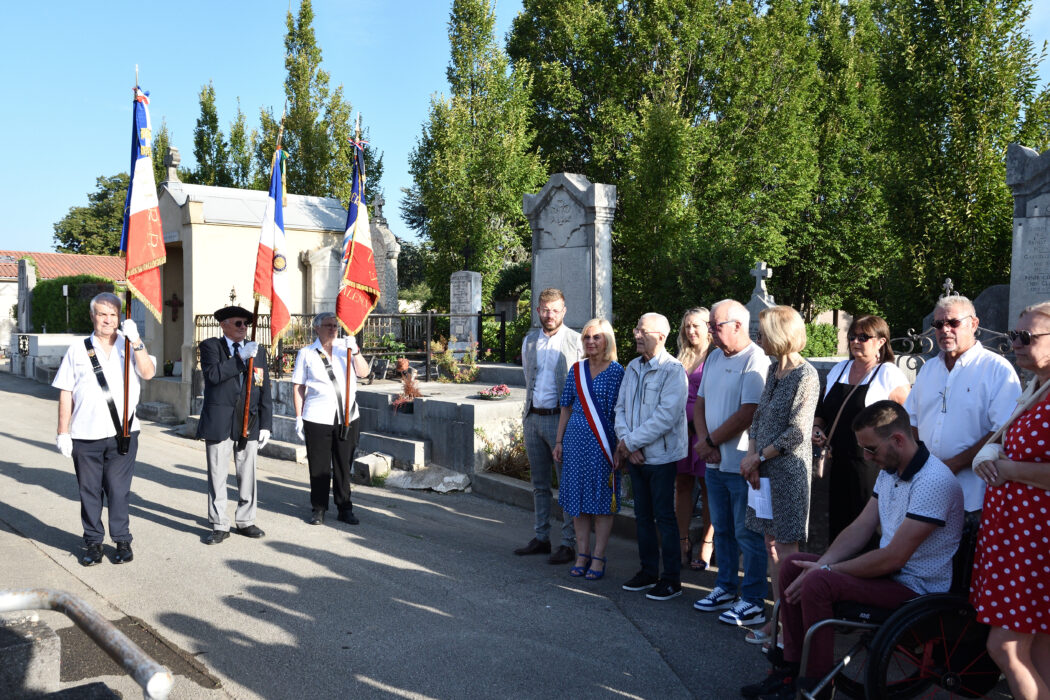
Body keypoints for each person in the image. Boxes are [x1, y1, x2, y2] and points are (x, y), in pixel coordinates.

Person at [741, 401, 963, 700]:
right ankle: (790, 669)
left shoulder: (934, 482)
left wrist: (826, 570)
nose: (867, 457)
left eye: (871, 449)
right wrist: (825, 563)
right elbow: (860, 528)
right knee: (793, 564)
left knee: (819, 581)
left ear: (898, 439)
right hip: (889, 577)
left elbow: (895, 557)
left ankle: (816, 685)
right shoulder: (891, 469)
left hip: (916, 589)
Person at [971, 302, 1050, 699]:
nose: (1015, 344)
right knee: (1039, 651)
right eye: (1013, 336)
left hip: (1037, 546)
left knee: (1004, 647)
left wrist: (1009, 469)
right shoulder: (1036, 387)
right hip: (1020, 538)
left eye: (1026, 337)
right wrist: (994, 451)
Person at [52, 292, 156, 566]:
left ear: (119, 316)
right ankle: (93, 543)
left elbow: (147, 373)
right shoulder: (78, 349)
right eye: (102, 314)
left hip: (123, 433)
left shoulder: (130, 344)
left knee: (118, 490)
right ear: (92, 317)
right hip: (85, 435)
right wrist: (63, 431)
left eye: (113, 314)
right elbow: (66, 391)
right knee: (89, 490)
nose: (108, 320)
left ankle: (122, 540)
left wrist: (137, 341)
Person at [905, 295, 1021, 526]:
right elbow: (912, 422)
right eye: (938, 324)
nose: (945, 330)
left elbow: (1003, 430)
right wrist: (922, 464)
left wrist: (954, 464)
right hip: (926, 489)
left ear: (974, 324)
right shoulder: (929, 369)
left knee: (967, 560)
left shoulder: (997, 370)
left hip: (973, 493)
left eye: (953, 323)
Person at [741, 306, 819, 646]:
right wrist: (751, 458)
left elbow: (797, 433)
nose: (758, 340)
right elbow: (758, 418)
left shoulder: (806, 375)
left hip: (787, 473)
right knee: (770, 546)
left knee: (787, 550)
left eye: (762, 333)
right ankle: (777, 620)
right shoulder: (774, 370)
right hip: (763, 469)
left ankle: (792, 627)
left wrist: (758, 456)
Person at [692, 299, 770, 626]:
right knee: (721, 529)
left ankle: (752, 599)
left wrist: (710, 442)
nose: (710, 331)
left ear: (738, 325)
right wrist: (703, 441)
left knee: (746, 533)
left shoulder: (756, 360)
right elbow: (700, 403)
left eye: (715, 326)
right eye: (709, 326)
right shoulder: (712, 357)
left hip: (740, 464)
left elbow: (747, 413)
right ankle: (725, 586)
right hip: (713, 463)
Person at [812, 315, 910, 541]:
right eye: (852, 337)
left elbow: (909, 418)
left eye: (864, 337)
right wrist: (817, 429)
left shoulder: (888, 374)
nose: (856, 341)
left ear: (881, 342)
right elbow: (822, 410)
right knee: (838, 524)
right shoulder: (839, 370)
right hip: (836, 462)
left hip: (870, 466)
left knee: (867, 527)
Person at [614, 313, 689, 601]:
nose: (636, 334)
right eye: (636, 328)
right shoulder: (632, 367)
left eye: (642, 330)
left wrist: (630, 442)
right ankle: (648, 572)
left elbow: (666, 417)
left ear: (661, 336)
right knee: (642, 517)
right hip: (635, 456)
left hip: (661, 457)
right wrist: (628, 445)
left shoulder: (673, 370)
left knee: (664, 518)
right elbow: (620, 408)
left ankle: (671, 579)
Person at [553, 318, 624, 580]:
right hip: (575, 442)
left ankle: (598, 556)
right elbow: (566, 407)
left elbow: (621, 412)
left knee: (602, 503)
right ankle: (582, 553)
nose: (591, 342)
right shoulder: (576, 370)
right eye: (587, 337)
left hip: (604, 445)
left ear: (608, 340)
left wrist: (619, 448)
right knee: (578, 500)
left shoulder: (618, 372)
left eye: (597, 337)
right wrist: (559, 441)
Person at [514, 288, 582, 565]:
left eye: (555, 310)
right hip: (533, 417)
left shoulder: (576, 341)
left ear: (564, 311)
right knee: (539, 484)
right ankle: (541, 537)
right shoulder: (530, 341)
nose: (549, 314)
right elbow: (529, 379)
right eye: (545, 309)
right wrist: (527, 415)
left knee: (565, 484)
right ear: (538, 310)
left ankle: (568, 543)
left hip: (560, 419)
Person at [197, 305, 272, 544]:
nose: (243, 328)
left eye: (246, 324)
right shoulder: (211, 347)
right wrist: (240, 358)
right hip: (220, 421)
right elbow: (214, 376)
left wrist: (266, 424)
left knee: (247, 473)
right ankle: (220, 523)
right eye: (238, 323)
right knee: (218, 474)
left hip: (249, 419)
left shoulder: (257, 352)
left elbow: (264, 388)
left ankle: (246, 520)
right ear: (224, 324)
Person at [291, 312, 370, 526]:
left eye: (335, 325)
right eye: (328, 325)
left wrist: (356, 352)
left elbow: (363, 373)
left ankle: (345, 507)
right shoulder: (306, 353)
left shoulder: (347, 348)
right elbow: (299, 386)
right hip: (317, 416)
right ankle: (318, 508)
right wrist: (298, 417)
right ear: (316, 328)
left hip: (347, 416)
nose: (333, 329)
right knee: (319, 466)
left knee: (344, 465)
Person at [675, 307, 714, 571]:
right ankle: (682, 540)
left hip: (705, 431)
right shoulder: (682, 356)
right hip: (681, 432)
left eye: (696, 326)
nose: (690, 331)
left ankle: (708, 543)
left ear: (709, 328)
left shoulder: (715, 356)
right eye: (687, 326)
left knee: (709, 487)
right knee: (683, 487)